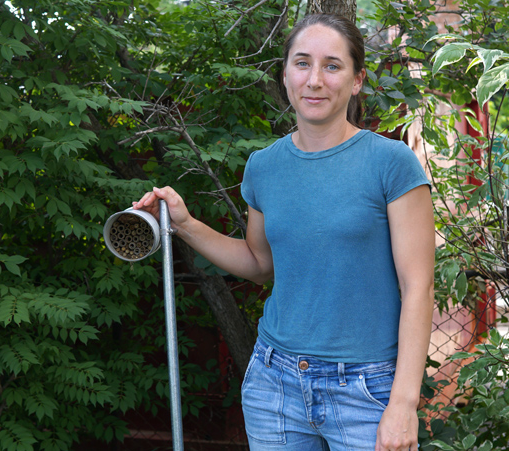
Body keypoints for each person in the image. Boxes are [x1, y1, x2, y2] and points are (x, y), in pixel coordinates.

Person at [133, 13, 434, 451]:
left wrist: (404, 402)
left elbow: (418, 286)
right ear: (285, 75)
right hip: (276, 382)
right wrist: (184, 224)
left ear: (356, 80)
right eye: (302, 63)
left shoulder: (390, 163)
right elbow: (259, 265)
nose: (314, 80)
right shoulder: (264, 166)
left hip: (367, 389)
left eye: (332, 66)